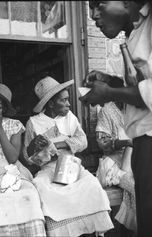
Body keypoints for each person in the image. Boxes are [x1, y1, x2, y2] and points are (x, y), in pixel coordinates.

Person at [80, 2, 152, 236]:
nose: (93, 16)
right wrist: (111, 81)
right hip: (142, 142)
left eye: (99, 4)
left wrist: (110, 93)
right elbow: (141, 87)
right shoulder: (135, 31)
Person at [23, 76, 114, 237]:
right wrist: (42, 152)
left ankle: (88, 230)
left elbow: (83, 141)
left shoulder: (70, 118)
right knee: (42, 188)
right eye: (63, 100)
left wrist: (58, 144)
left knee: (91, 184)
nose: (68, 104)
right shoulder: (34, 123)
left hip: (71, 165)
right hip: (49, 169)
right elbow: (27, 156)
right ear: (51, 104)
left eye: (68, 100)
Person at [0, 82, 46, 237]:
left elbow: (12, 158)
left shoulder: (14, 125)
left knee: (30, 197)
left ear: (4, 108)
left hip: (14, 175)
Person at [95, 101, 136, 233]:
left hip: (134, 158)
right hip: (112, 163)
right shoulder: (107, 110)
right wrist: (126, 142)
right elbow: (103, 142)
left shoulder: (138, 109)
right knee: (136, 187)